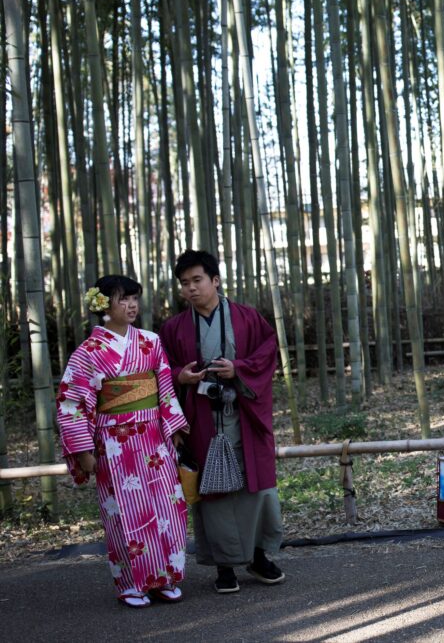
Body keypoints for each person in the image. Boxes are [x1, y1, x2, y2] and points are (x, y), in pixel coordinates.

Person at [56, 275, 190, 608]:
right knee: (123, 514)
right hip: (113, 443)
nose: (131, 305)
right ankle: (131, 583)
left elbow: (164, 390)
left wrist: (173, 430)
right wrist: (84, 451)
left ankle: (165, 577)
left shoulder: (151, 341)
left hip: (153, 438)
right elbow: (71, 402)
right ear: (103, 305)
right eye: (122, 299)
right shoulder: (88, 353)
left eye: (134, 298)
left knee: (166, 508)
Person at [159, 250, 285, 593]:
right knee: (213, 493)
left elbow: (267, 352)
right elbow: (160, 369)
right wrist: (179, 376)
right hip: (200, 420)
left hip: (243, 417)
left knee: (254, 488)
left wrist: (238, 369)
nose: (191, 289)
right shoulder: (173, 328)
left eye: (197, 280)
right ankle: (224, 566)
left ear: (215, 280)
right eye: (184, 283)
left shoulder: (247, 318)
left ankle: (258, 556)